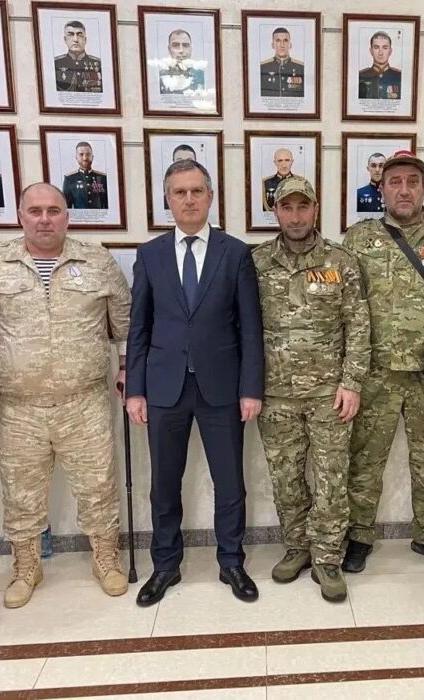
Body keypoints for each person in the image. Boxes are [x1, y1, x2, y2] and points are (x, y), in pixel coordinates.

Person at [0, 182, 130, 608]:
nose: (44, 219)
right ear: (20, 215)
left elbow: (125, 326)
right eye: (35, 211)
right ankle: (26, 565)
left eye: (53, 211)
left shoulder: (97, 262)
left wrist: (127, 368)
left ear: (66, 216)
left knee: (98, 485)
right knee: (20, 492)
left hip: (84, 401)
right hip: (16, 405)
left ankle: (106, 558)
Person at [126, 159, 264, 605]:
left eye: (196, 191)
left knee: (230, 482)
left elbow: (250, 328)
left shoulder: (235, 253)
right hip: (164, 387)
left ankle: (232, 561)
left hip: (221, 387)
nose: (188, 199)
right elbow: (139, 327)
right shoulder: (150, 255)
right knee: (164, 484)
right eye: (179, 192)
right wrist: (135, 389)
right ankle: (165, 565)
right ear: (167, 200)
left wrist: (251, 388)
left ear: (210, 197)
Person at [342, 151, 424, 573]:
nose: (404, 190)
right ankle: (359, 535)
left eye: (412, 182)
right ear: (381, 189)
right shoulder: (359, 239)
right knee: (365, 460)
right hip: (375, 372)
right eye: (394, 182)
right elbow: (347, 307)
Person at [252, 177, 370, 602]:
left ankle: (328, 556)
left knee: (331, 478)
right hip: (275, 394)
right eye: (287, 207)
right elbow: (242, 326)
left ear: (315, 209)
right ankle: (297, 546)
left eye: (303, 207)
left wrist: (352, 382)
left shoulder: (341, 261)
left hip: (328, 395)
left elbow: (358, 325)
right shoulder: (257, 262)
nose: (296, 216)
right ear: (276, 212)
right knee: (285, 477)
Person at [54, 20, 102, 93]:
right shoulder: (56, 63)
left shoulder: (98, 63)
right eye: (70, 35)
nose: (76, 40)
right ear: (65, 40)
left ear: (85, 40)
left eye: (80, 35)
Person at [61, 142, 109, 210]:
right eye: (81, 154)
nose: (85, 158)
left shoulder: (103, 178)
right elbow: (66, 208)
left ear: (92, 157)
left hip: (100, 216)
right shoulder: (69, 179)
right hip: (79, 216)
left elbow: (108, 206)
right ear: (76, 157)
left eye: (88, 154)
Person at [260, 27, 304, 98]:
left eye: (285, 40)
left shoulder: (301, 68)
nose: (282, 45)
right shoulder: (263, 67)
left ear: (290, 44)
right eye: (278, 40)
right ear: (273, 45)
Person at [358, 31, 402, 100]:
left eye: (385, 48)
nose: (380, 53)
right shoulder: (360, 76)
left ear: (390, 51)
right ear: (371, 51)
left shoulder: (399, 76)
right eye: (376, 47)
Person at [159, 29, 204, 94]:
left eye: (185, 45)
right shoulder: (160, 77)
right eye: (175, 45)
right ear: (169, 49)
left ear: (191, 49)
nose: (181, 50)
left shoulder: (201, 76)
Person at [163, 145, 198, 211]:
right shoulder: (166, 186)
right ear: (173, 162)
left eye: (189, 161)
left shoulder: (203, 183)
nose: (184, 165)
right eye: (179, 161)